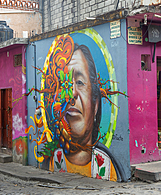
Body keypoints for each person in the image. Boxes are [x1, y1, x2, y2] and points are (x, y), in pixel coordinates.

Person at [48, 43, 127, 182]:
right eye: (64, 83)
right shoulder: (51, 161)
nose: (71, 93)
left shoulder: (110, 169)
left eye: (79, 82)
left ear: (95, 104)